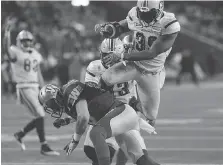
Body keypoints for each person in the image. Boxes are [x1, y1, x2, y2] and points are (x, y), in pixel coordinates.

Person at [95, 0, 180, 126]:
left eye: (149, 14)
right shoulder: (134, 13)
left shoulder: (169, 24)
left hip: (151, 72)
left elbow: (151, 53)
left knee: (150, 117)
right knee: (106, 78)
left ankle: (134, 104)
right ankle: (103, 111)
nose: (145, 17)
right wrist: (110, 29)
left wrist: (121, 55)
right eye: (142, 14)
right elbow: (122, 26)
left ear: (160, 9)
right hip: (133, 65)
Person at [38, 79, 160, 165]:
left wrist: (75, 140)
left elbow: (84, 117)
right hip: (119, 119)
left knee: (96, 133)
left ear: (55, 96)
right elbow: (90, 110)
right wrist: (67, 120)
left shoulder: (70, 90)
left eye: (50, 104)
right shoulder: (67, 100)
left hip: (121, 113)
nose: (52, 109)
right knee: (142, 160)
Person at [83, 38, 157, 165]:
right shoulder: (131, 66)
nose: (108, 59)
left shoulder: (98, 67)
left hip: (115, 113)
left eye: (111, 56)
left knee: (97, 150)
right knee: (96, 151)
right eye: (106, 55)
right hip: (118, 113)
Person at [3, 25, 59, 156]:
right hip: (23, 87)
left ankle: (20, 134)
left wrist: (44, 88)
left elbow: (38, 73)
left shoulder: (35, 54)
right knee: (40, 114)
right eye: (24, 41)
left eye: (29, 40)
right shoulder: (15, 51)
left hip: (34, 87)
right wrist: (6, 35)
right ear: (19, 41)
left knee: (40, 115)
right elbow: (6, 50)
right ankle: (44, 146)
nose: (27, 43)